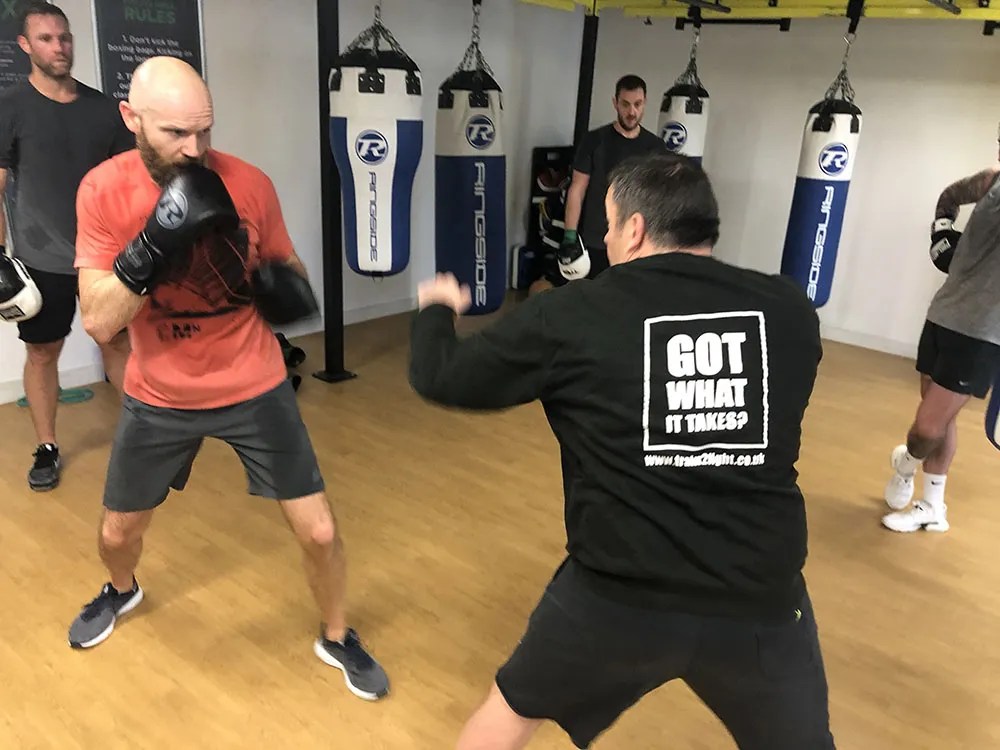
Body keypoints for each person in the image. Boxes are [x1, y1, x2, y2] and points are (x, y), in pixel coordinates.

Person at [409, 153, 835, 749]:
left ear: (634, 229)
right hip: (758, 592)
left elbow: (440, 375)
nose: (603, 240)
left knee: (507, 716)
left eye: (607, 226)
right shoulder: (789, 310)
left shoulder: (570, 314)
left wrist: (435, 309)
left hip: (617, 593)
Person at [66, 55, 389, 702]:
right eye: (175, 135)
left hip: (254, 384)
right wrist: (154, 244)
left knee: (319, 531)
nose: (196, 150)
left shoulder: (249, 184)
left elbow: (287, 267)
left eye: (205, 132)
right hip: (159, 395)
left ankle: (336, 634)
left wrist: (282, 289)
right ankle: (122, 591)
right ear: (132, 119)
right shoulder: (102, 191)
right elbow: (101, 323)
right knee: (116, 534)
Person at [0, 1, 134, 491]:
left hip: (102, 257)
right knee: (42, 352)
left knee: (116, 341)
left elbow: (128, 182)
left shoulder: (104, 110)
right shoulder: (10, 107)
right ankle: (47, 446)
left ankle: (144, 435)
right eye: (47, 39)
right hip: (40, 258)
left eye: (65, 37)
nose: (60, 47)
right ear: (25, 45)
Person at [881, 133, 1000, 533]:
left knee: (926, 428)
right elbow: (950, 194)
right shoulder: (989, 181)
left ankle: (905, 464)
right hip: (943, 315)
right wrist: (942, 232)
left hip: (982, 333)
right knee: (942, 421)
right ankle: (932, 505)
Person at [551, 74, 669, 285]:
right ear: (615, 103)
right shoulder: (594, 140)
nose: (631, 112)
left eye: (637, 104)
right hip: (597, 240)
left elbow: (659, 197)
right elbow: (577, 189)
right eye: (625, 104)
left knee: (628, 302)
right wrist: (569, 235)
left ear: (645, 103)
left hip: (637, 242)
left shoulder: (656, 147)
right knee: (592, 299)